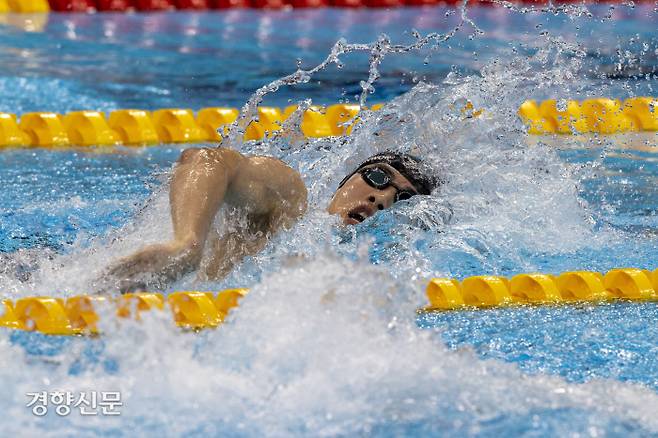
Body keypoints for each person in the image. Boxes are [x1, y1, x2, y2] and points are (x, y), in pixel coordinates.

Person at [103, 147, 438, 292]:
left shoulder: (370, 275)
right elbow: (208, 160)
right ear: (347, 177)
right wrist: (187, 245)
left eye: (402, 199)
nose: (380, 199)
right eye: (378, 177)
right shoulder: (290, 203)